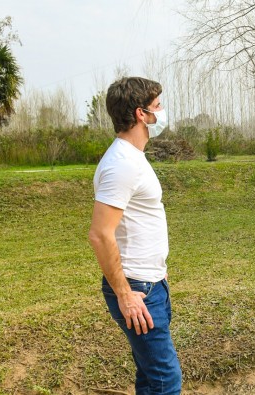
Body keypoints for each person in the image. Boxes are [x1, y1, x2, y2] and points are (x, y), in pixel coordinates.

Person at [88, 77, 181, 394]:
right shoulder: (121, 164)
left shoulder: (132, 158)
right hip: (137, 290)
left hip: (151, 282)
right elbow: (100, 235)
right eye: (158, 106)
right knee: (166, 381)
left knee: (150, 376)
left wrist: (157, 267)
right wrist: (126, 294)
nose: (162, 112)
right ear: (141, 114)